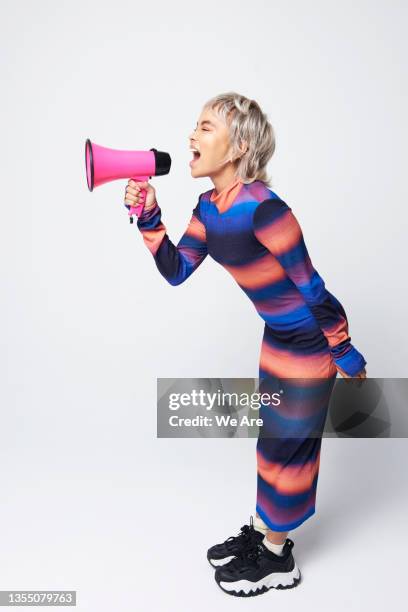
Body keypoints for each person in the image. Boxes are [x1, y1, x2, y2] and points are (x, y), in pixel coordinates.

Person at [124, 92, 367, 597]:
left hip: (310, 341)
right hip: (276, 337)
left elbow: (310, 283)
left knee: (291, 446)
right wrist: (150, 218)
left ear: (238, 147)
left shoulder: (265, 209)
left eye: (206, 127)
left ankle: (278, 559)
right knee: (271, 440)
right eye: (195, 124)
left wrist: (342, 348)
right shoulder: (209, 210)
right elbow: (176, 271)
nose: (192, 135)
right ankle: (263, 532)